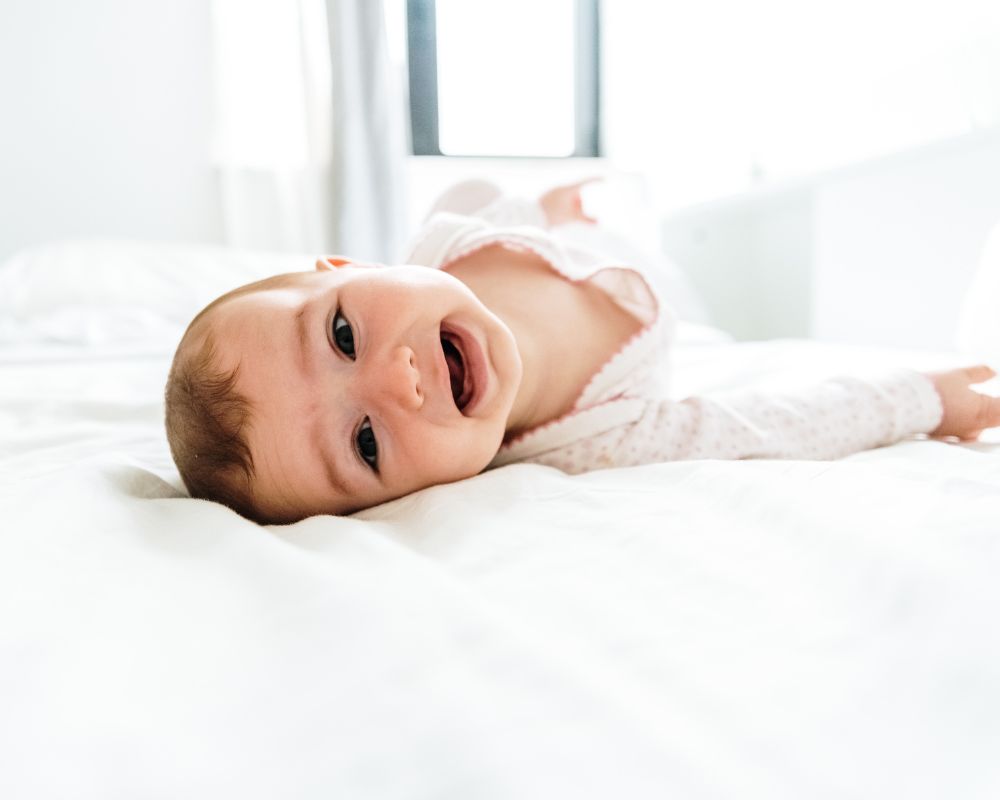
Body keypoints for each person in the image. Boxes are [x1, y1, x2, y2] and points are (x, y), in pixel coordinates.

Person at [164, 179, 1000, 524]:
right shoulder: (594, 439)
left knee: (571, 218)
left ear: (348, 267)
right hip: (654, 312)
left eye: (343, 333)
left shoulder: (456, 231)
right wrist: (919, 397)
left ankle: (571, 221)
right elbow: (774, 423)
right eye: (366, 443)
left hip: (576, 250)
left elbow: (498, 196)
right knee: (677, 281)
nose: (397, 376)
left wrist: (548, 217)